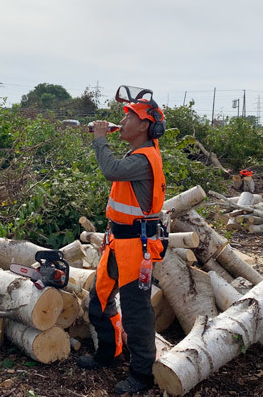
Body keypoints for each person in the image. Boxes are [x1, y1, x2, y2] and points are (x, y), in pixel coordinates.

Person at [77, 86, 167, 395]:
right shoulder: (135, 153)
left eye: (129, 116)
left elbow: (109, 169)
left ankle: (142, 374)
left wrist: (99, 138)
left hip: (136, 248)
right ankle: (109, 354)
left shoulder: (144, 158)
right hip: (118, 242)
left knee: (136, 312)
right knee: (99, 299)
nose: (123, 121)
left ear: (144, 125)